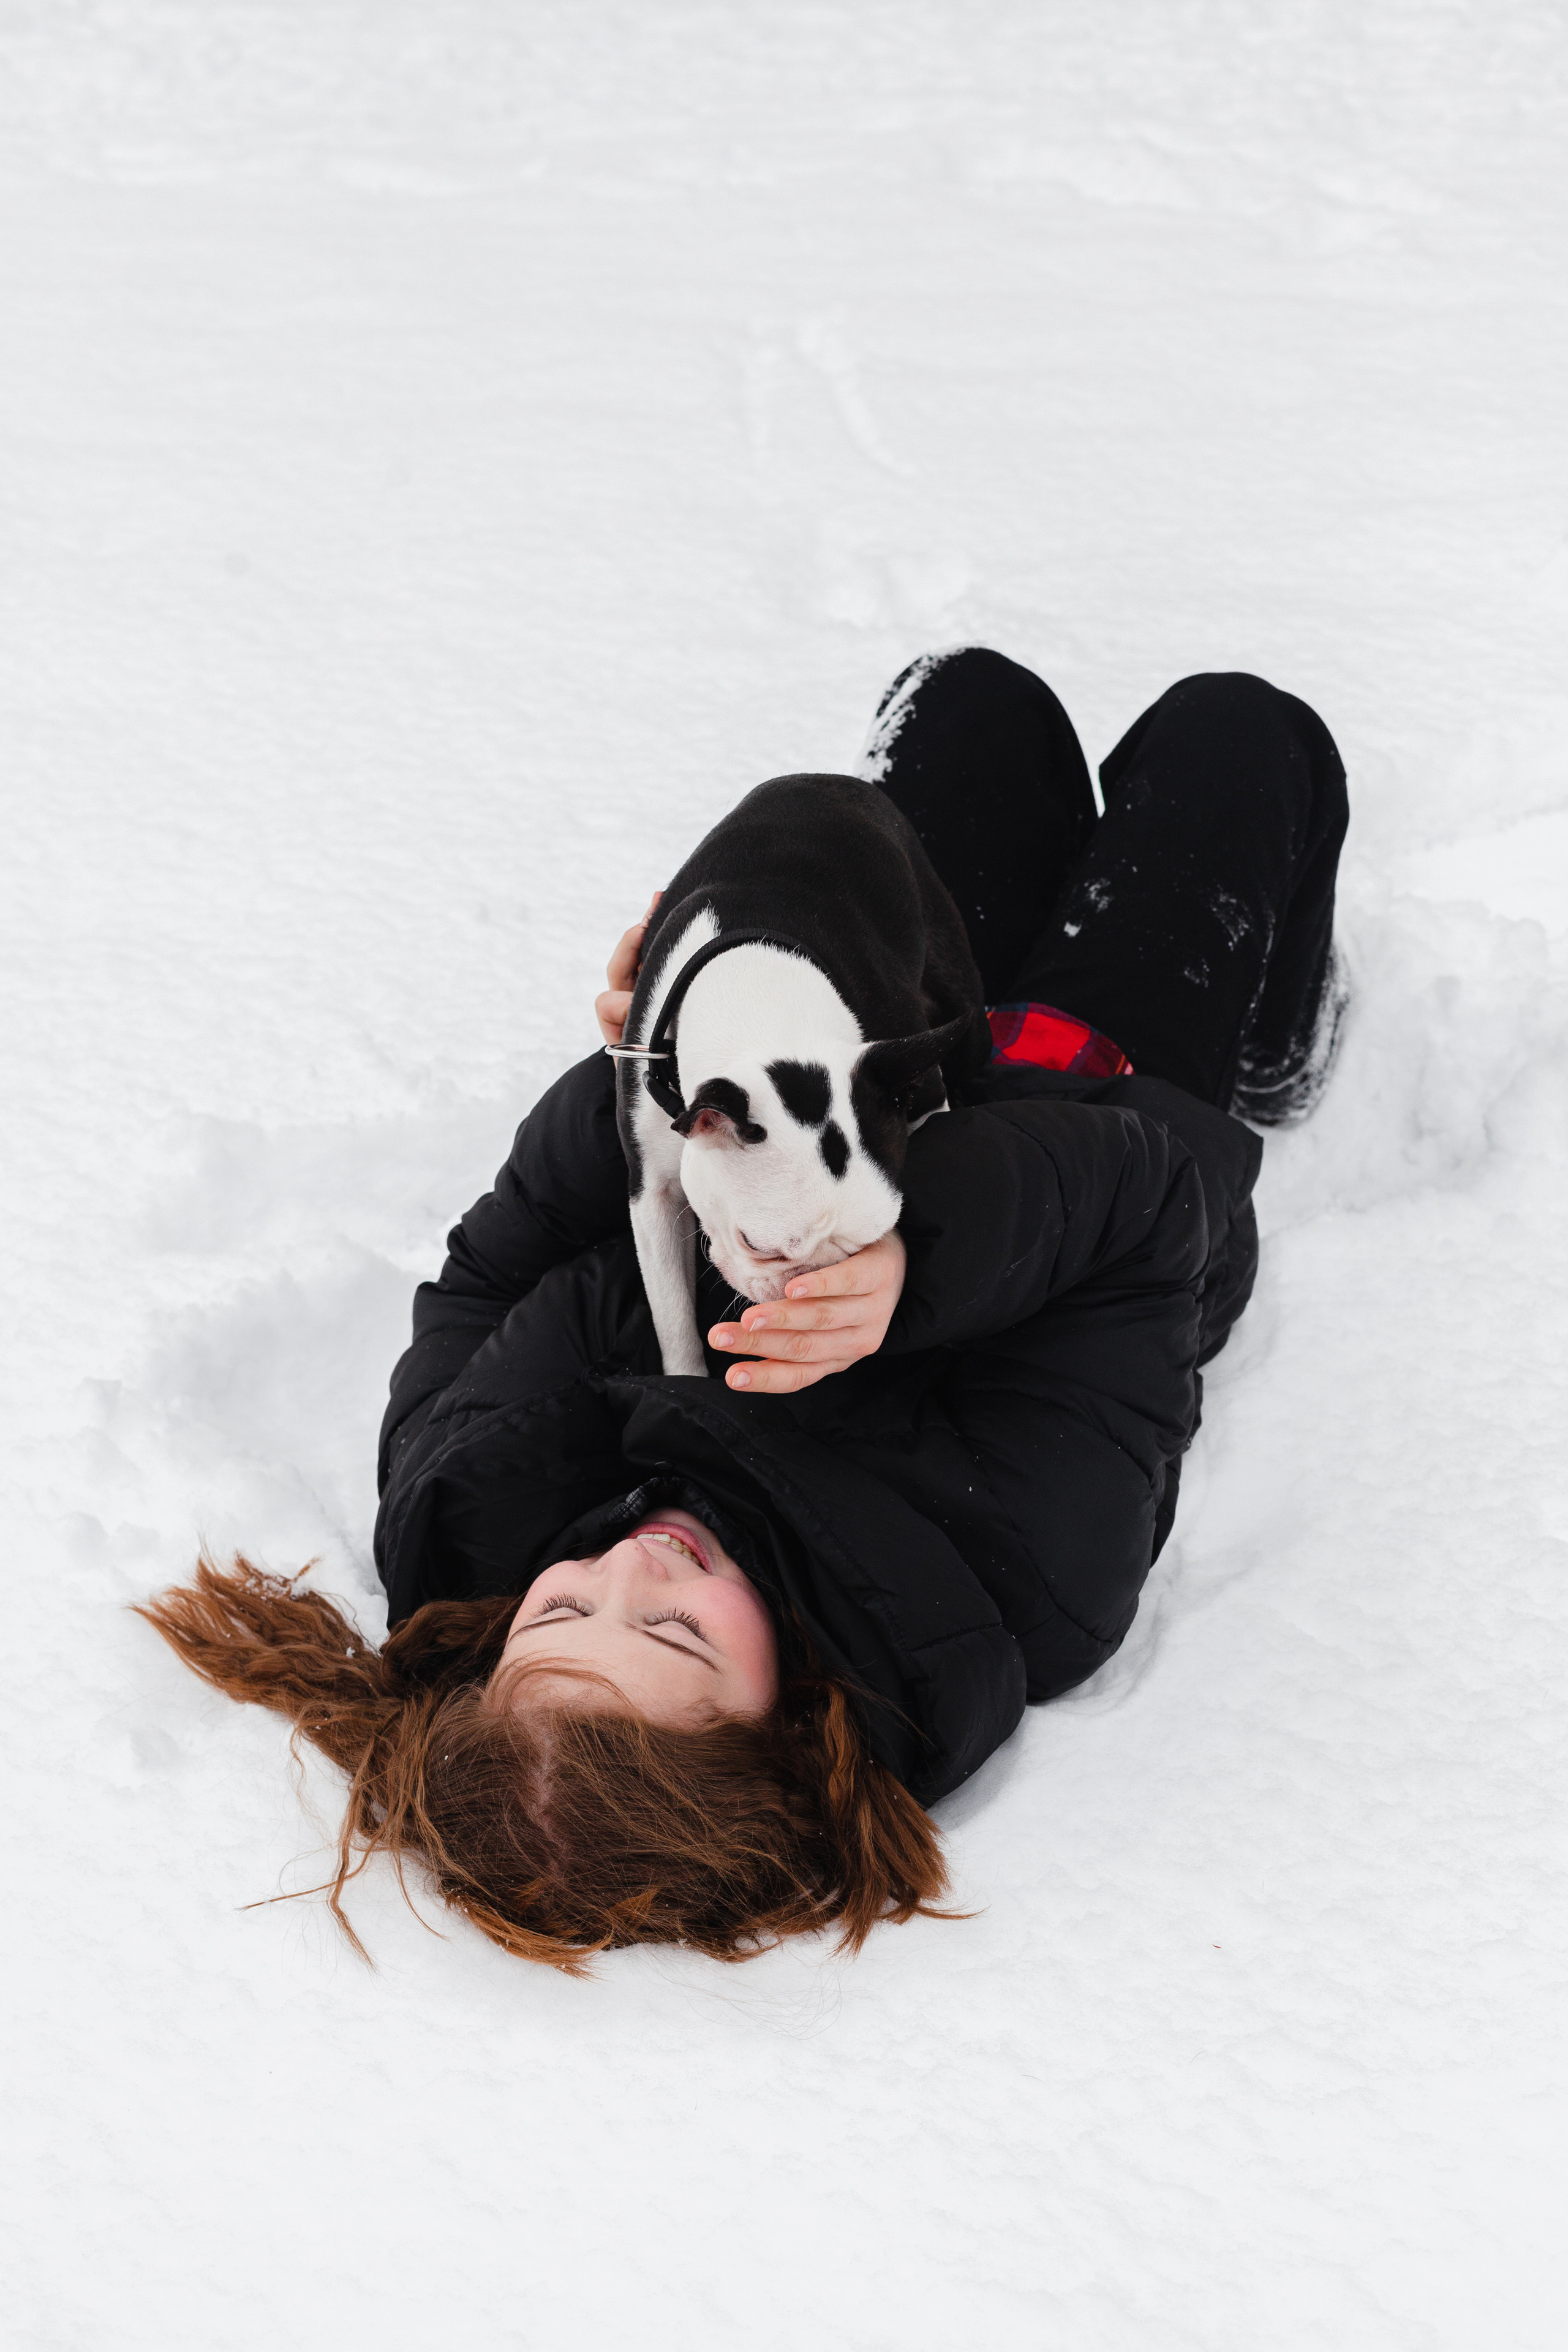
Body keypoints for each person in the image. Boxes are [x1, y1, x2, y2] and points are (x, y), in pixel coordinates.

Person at [140, 650, 1349, 1972]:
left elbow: (501, 1257)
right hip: (1079, 1106)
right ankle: (1280, 1041)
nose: (629, 1571)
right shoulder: (1018, 1586)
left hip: (851, 1059)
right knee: (1233, 734)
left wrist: (662, 1063)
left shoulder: (465, 1501)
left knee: (972, 704)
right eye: (673, 1636)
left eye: (558, 1617)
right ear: (790, 1727)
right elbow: (1151, 1218)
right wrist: (916, 1264)